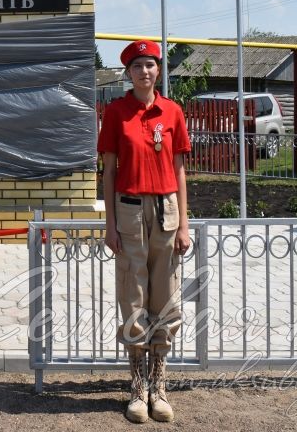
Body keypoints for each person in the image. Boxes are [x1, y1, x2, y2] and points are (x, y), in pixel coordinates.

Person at [98, 40, 191, 424]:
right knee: (133, 296)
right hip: (130, 210)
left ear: (158, 71)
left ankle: (159, 388)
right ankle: (137, 389)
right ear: (128, 72)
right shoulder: (117, 113)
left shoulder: (172, 112)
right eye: (137, 65)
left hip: (167, 210)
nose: (144, 71)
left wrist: (185, 223)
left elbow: (180, 168)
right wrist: (110, 224)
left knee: (165, 297)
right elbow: (108, 171)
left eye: (150, 65)